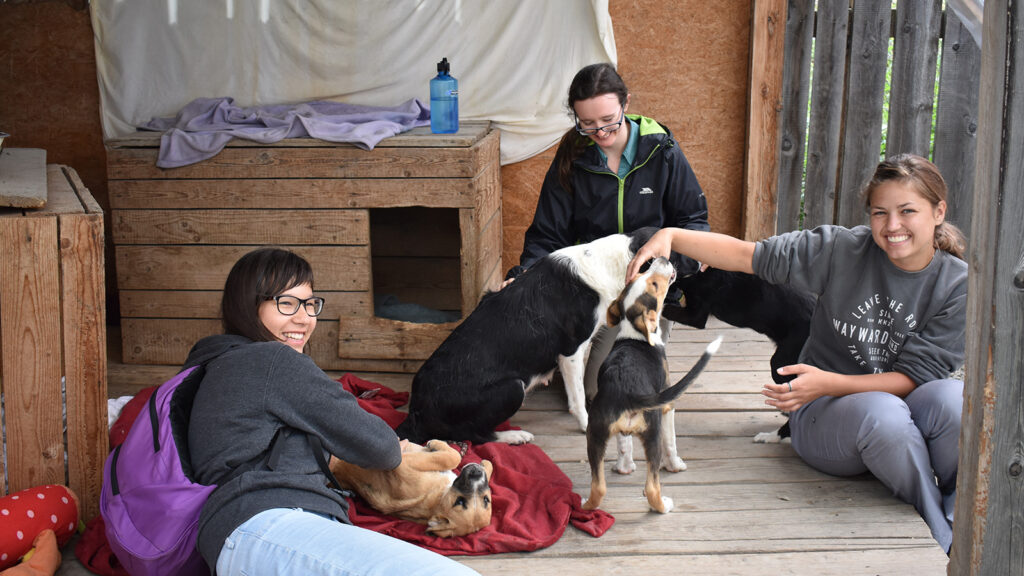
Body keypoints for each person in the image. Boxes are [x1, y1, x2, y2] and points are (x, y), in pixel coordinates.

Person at [625, 153, 966, 553]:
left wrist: (826, 380)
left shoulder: (957, 282)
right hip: (826, 414)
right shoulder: (842, 250)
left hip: (879, 398)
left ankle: (960, 517)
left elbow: (916, 377)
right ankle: (944, 539)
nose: (892, 226)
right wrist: (674, 237)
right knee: (884, 414)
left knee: (954, 400)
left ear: (938, 211)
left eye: (908, 211)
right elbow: (747, 255)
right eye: (880, 212)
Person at [184, 247, 479, 575]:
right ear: (248, 305)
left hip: (242, 539)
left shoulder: (217, 361)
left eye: (310, 303)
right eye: (286, 303)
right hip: (268, 525)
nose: (304, 318)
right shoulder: (271, 361)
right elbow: (381, 447)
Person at [506, 62, 710, 396]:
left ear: (625, 103)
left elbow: (695, 224)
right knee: (587, 385)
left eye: (607, 120)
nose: (599, 132)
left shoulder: (662, 150)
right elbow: (548, 233)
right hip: (592, 289)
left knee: (616, 387)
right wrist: (525, 275)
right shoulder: (573, 154)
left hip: (648, 289)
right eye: (586, 123)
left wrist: (670, 271)